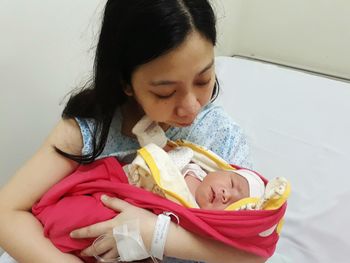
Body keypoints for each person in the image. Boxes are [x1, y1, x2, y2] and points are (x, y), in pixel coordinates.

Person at [0, 0, 265, 262]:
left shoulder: (219, 135)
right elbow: (6, 212)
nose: (190, 107)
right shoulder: (88, 132)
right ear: (126, 82)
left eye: (203, 80)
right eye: (166, 92)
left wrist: (155, 234)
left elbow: (254, 250)